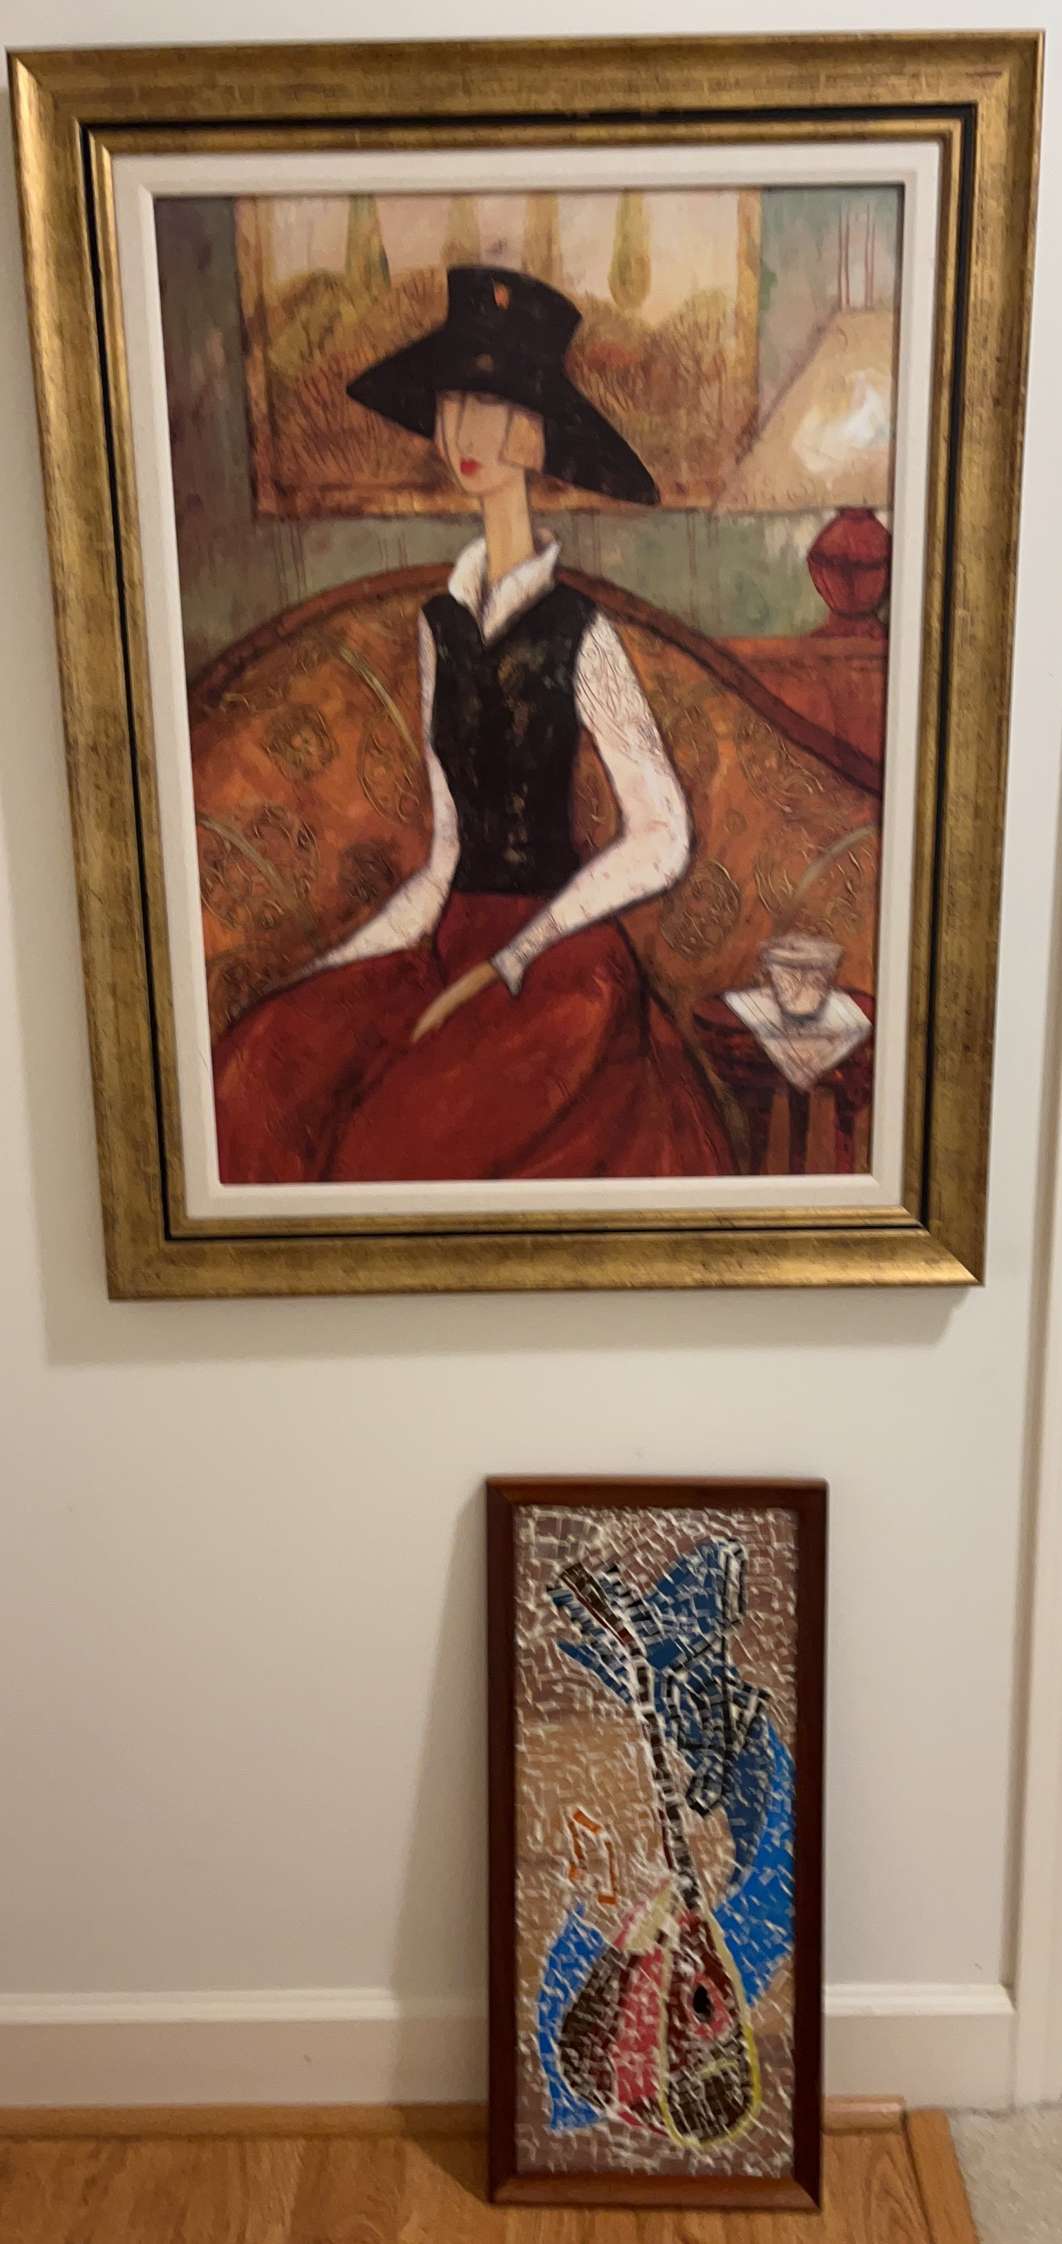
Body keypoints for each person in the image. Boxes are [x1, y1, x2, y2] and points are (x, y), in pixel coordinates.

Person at [213, 264, 734, 1183]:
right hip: (450, 939)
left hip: (565, 962)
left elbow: (665, 835)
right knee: (263, 1065)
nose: (463, 434)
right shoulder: (440, 628)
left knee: (397, 1146)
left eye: (492, 408)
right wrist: (333, 968)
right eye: (453, 405)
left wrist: (522, 951)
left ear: (535, 435)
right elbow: (447, 854)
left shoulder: (580, 631)